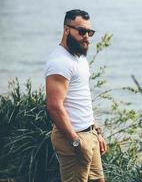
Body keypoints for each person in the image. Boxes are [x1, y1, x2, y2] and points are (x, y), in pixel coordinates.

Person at [45, 9, 107, 182]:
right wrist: (75, 141)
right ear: (66, 29)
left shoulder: (79, 58)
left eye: (89, 32)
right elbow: (54, 106)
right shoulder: (60, 62)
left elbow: (83, 99)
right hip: (73, 138)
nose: (86, 36)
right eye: (81, 31)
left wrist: (96, 132)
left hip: (89, 135)